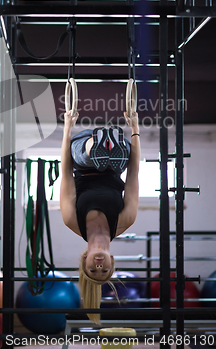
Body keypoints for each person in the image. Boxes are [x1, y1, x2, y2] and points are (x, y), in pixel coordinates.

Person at [60, 110, 140, 324]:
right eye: (104, 270)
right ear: (112, 261)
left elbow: (66, 172)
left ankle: (96, 146)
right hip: (117, 163)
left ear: (84, 260)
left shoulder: (72, 221)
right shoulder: (125, 221)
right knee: (123, 155)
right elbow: (133, 174)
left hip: (81, 157)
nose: (99, 265)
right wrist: (135, 129)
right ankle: (109, 145)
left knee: (85, 158)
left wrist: (67, 127)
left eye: (92, 269)